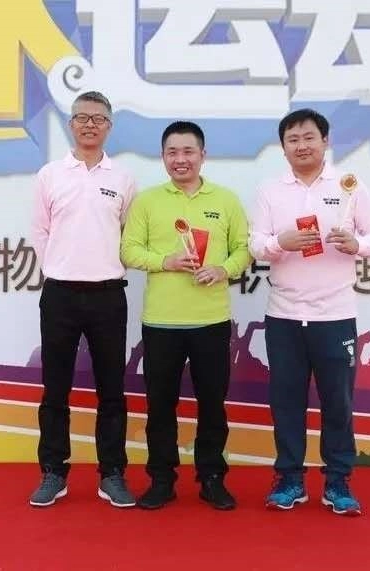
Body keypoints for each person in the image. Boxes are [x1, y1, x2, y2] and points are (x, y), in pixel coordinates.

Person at [249, 108, 370, 515]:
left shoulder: (348, 186)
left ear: (325, 141)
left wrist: (358, 245)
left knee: (338, 403)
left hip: (335, 316)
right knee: (286, 402)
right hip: (284, 316)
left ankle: (338, 482)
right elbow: (255, 244)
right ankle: (290, 480)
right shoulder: (270, 191)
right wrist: (280, 243)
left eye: (309, 137)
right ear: (283, 147)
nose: (301, 146)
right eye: (292, 139)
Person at [120, 121, 251, 510]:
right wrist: (167, 261)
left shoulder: (226, 200)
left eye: (188, 151)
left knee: (213, 405)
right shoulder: (147, 201)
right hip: (161, 323)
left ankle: (211, 477)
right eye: (172, 152)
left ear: (203, 155)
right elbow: (128, 251)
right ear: (163, 157)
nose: (180, 159)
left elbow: (244, 249)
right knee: (160, 406)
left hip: (211, 321)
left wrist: (223, 269)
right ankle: (162, 479)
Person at [29, 91, 137, 508]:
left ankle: (112, 474)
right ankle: (53, 472)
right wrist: (60, 267)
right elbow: (40, 232)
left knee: (112, 391)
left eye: (99, 118)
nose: (90, 124)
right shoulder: (50, 174)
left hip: (108, 296)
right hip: (60, 294)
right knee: (55, 389)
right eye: (83, 117)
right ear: (71, 124)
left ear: (109, 126)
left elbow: (128, 235)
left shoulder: (122, 178)